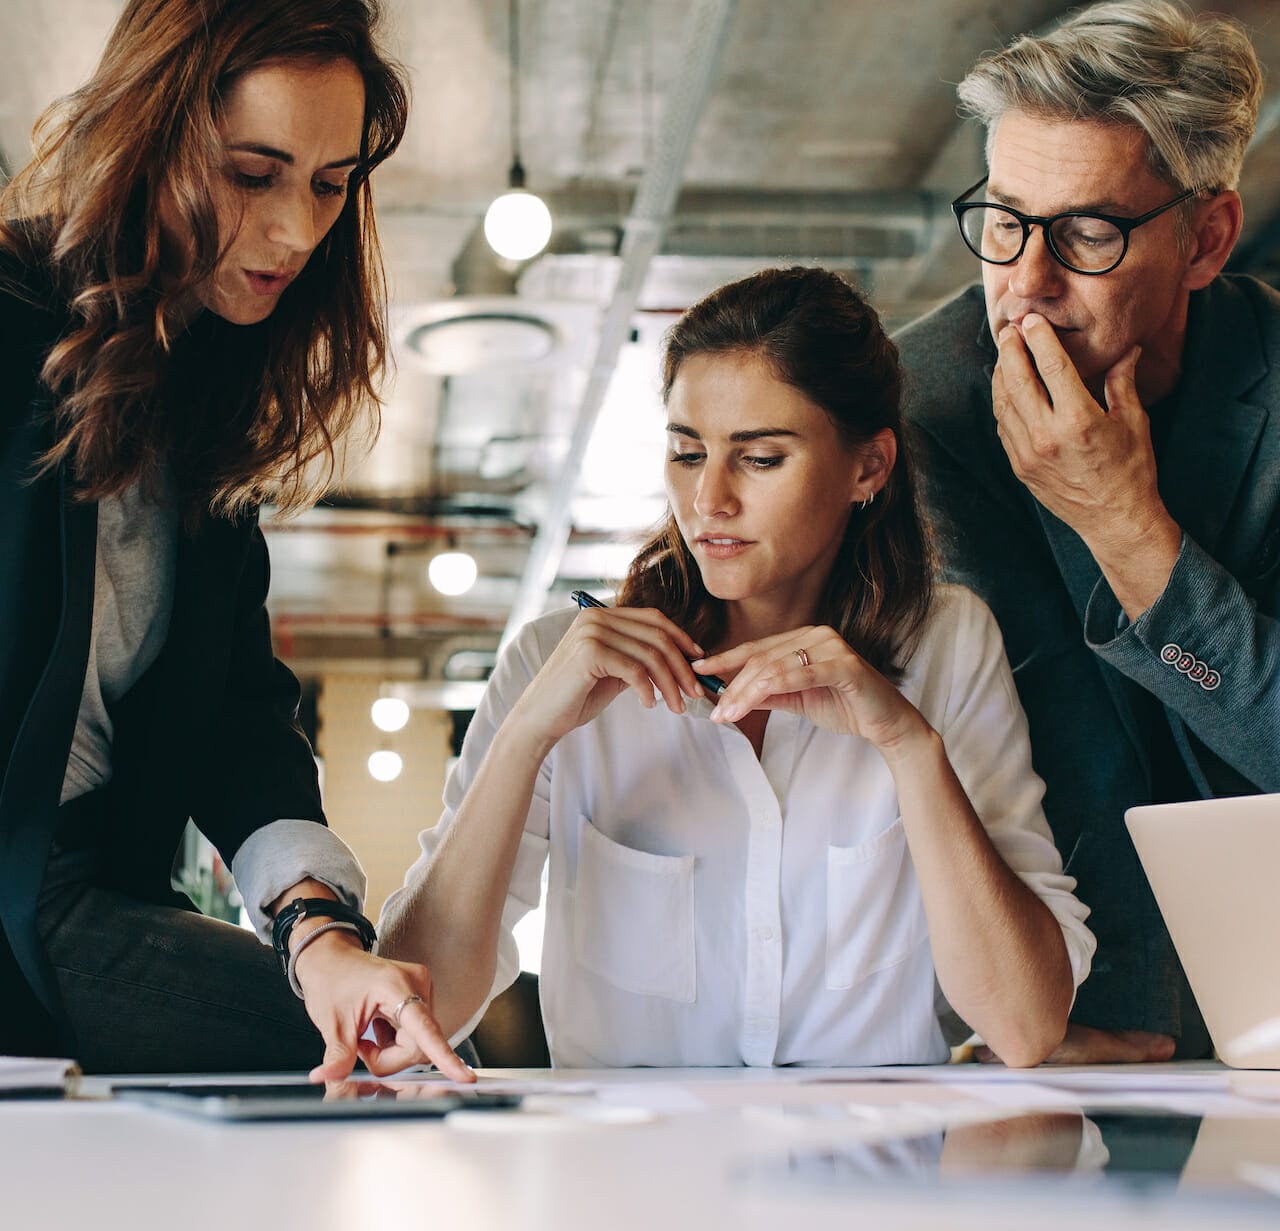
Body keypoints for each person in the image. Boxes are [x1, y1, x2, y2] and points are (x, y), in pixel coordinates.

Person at [379, 266, 1095, 1069]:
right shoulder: (556, 664)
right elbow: (415, 1013)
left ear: (868, 467)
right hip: (631, 1178)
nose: (708, 500)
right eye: (687, 453)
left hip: (875, 1179)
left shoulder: (950, 646)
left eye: (758, 459)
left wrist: (907, 746)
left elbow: (1025, 1025)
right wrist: (523, 740)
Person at [0, 0, 472, 1081]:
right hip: (34, 895)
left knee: (374, 1041)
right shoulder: (12, 318)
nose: (298, 230)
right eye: (252, 173)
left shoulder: (196, 392)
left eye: (329, 182)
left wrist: (322, 935)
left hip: (88, 888)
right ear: (148, 137)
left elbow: (232, 717)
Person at [895, 0, 1275, 1062]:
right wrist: (1114, 1006)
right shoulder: (925, 406)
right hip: (1087, 997)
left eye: (1086, 233)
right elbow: (1048, 727)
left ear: (1204, 239)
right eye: (1006, 219)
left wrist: (1126, 530)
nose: (1023, 284)